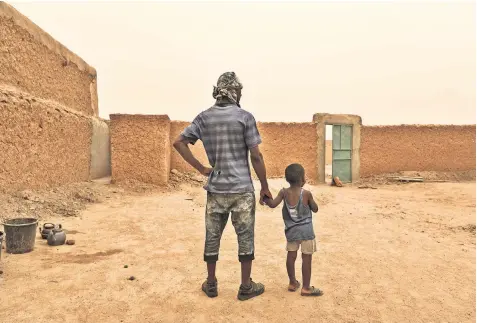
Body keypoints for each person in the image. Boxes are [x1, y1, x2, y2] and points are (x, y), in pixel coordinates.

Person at [173, 72, 272, 301]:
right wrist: (265, 186)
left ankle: (211, 284)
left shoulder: (203, 118)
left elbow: (179, 142)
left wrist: (201, 169)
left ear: (217, 91)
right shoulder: (245, 117)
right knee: (245, 237)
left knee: (212, 236)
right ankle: (246, 287)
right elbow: (256, 156)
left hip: (216, 189)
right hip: (242, 190)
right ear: (235, 91)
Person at [264, 163, 324, 296]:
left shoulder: (283, 192)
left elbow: (273, 204)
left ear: (287, 179)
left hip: (291, 232)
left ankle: (292, 283)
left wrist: (265, 199)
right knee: (306, 258)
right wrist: (311, 201)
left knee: (291, 256)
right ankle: (306, 288)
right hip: (306, 232)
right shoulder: (306, 194)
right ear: (302, 179)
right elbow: (315, 209)